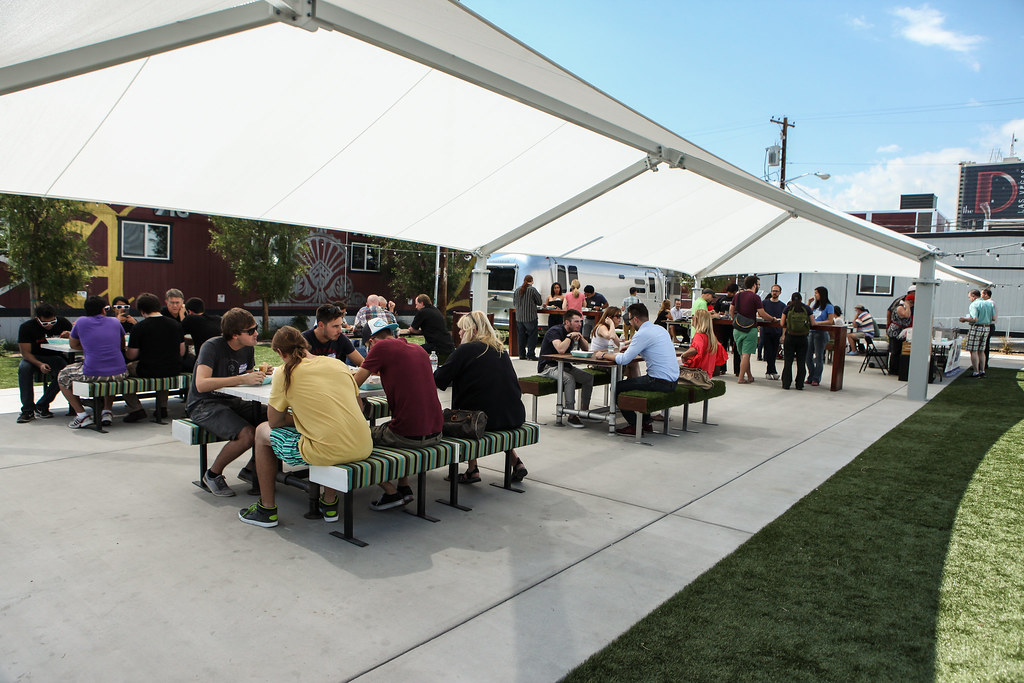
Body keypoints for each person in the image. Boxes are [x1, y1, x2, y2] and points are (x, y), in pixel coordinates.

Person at [238, 326, 373, 528]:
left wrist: (302, 419)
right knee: (326, 431)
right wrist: (312, 418)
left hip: (326, 450)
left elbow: (275, 422)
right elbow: (359, 408)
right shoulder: (337, 364)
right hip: (363, 445)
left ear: (280, 352)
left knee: (261, 432)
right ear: (305, 344)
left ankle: (267, 509)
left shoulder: (284, 373)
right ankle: (329, 503)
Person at [353, 317, 443, 510]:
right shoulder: (418, 349)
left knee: (356, 437)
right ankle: (404, 486)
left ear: (371, 342)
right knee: (397, 422)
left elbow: (353, 384)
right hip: (436, 431)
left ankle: (391, 492)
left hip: (409, 436)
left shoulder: (380, 348)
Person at [434, 311, 528, 483]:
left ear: (474, 330)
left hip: (484, 421)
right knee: (482, 405)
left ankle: (472, 469)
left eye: (463, 329)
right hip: (513, 416)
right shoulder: (500, 349)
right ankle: (516, 463)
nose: (459, 333)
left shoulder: (466, 349)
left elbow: (439, 379)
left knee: (453, 417)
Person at [188, 307, 269, 497]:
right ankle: (212, 474)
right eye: (251, 331)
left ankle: (251, 469)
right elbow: (201, 384)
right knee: (247, 435)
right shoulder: (212, 347)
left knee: (274, 418)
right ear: (234, 335)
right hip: (204, 404)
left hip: (233, 401)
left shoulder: (247, 348)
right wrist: (242, 379)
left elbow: (245, 375)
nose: (256, 333)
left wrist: (258, 374)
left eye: (256, 328)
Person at [593, 303, 679, 437]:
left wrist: (603, 355)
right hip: (673, 381)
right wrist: (632, 349)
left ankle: (634, 425)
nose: (630, 323)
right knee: (636, 382)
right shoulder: (660, 329)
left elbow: (624, 360)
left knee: (617, 387)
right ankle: (646, 423)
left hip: (658, 382)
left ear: (636, 319)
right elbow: (650, 348)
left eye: (630, 320)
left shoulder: (642, 334)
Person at [57, 296, 129, 429]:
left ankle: (81, 415)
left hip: (94, 373)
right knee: (109, 375)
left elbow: (73, 345)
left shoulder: (81, 322)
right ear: (103, 309)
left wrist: (90, 346)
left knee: (62, 376)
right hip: (120, 372)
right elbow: (121, 345)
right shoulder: (115, 321)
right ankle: (107, 411)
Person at [122, 292, 185, 422]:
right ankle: (162, 407)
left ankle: (136, 408)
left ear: (142, 311)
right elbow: (182, 352)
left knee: (121, 372)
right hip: (173, 368)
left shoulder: (139, 327)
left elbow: (132, 355)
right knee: (163, 370)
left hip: (148, 369)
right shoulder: (175, 325)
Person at [16, 303, 72, 423]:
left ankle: (42, 405)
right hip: (33, 357)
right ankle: (27, 410)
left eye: (52, 322)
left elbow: (78, 339)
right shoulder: (27, 327)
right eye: (45, 323)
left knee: (65, 371)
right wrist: (39, 364)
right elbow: (25, 353)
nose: (49, 325)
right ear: (38, 319)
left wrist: (70, 335)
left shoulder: (63, 323)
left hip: (54, 356)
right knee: (24, 369)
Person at [537, 309, 593, 429]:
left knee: (588, 378)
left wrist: (581, 338)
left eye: (580, 321)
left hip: (565, 366)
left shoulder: (575, 331)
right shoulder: (555, 331)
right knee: (569, 379)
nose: (579, 324)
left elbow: (586, 349)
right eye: (576, 321)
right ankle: (571, 414)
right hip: (548, 366)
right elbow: (561, 349)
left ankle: (584, 411)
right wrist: (569, 337)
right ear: (567, 322)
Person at [730, 276, 777, 384]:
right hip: (750, 329)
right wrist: (772, 319)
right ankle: (741, 378)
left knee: (743, 355)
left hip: (737, 329)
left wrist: (734, 319)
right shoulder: (755, 297)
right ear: (754, 285)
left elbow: (731, 309)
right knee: (746, 355)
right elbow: (762, 313)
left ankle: (750, 376)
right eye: (758, 284)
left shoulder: (738, 295)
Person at [401, 294, 455, 364]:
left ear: (422, 303)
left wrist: (420, 331)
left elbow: (412, 329)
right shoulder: (436, 310)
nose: (416, 307)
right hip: (448, 345)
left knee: (413, 351)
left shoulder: (422, 312)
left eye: (416, 304)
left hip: (437, 346)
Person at [591, 306, 638, 379]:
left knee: (633, 363)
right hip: (598, 361)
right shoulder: (602, 327)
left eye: (620, 316)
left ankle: (633, 384)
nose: (620, 319)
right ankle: (628, 385)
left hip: (606, 358)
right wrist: (611, 323)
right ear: (609, 318)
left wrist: (633, 340)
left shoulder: (610, 329)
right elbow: (611, 336)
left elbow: (619, 343)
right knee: (630, 369)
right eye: (618, 316)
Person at [678, 309, 727, 376]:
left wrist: (683, 355)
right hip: (707, 373)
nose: (692, 318)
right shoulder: (711, 337)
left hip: (697, 373)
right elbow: (720, 351)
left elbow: (696, 349)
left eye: (693, 316)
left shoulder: (699, 335)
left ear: (698, 320)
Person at [780, 293, 813, 390]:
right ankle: (799, 384)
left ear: (791, 299)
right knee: (801, 362)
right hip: (802, 338)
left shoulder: (788, 308)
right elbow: (813, 323)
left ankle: (786, 384)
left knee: (788, 362)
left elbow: (782, 323)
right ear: (801, 299)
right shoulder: (807, 308)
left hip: (790, 337)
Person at [959, 289, 995, 378]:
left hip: (976, 327)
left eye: (969, 297)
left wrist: (964, 319)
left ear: (974, 296)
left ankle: (976, 371)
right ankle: (982, 370)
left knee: (973, 350)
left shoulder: (974, 304)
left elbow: (975, 319)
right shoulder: (989, 304)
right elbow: (993, 318)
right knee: (981, 350)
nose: (969, 299)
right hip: (987, 327)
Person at [805, 286, 836, 387]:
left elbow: (830, 321)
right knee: (807, 356)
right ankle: (811, 374)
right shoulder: (815, 306)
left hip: (821, 333)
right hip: (811, 332)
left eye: (817, 293)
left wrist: (818, 323)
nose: (815, 295)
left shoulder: (829, 306)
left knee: (818, 356)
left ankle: (816, 378)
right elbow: (806, 313)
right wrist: (809, 303)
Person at [513, 274, 543, 361]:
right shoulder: (532, 290)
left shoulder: (517, 290)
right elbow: (539, 302)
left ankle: (521, 354)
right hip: (530, 317)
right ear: (532, 281)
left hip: (519, 317)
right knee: (532, 336)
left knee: (521, 336)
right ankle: (530, 355)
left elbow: (514, 303)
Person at [886, 286, 915, 375]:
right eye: (912, 302)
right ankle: (893, 369)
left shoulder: (905, 306)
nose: (913, 305)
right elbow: (906, 315)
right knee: (895, 350)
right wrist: (908, 306)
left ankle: (899, 368)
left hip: (902, 330)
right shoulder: (900, 306)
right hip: (896, 331)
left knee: (900, 350)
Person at [761, 284, 786, 380]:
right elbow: (760, 314)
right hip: (766, 331)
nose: (774, 292)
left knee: (774, 352)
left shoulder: (783, 306)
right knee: (768, 351)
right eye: (773, 291)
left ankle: (771, 371)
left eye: (776, 291)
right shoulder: (764, 303)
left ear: (780, 292)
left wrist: (783, 335)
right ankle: (771, 371)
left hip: (777, 332)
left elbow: (784, 322)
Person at [714, 283, 739, 376]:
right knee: (722, 347)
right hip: (723, 327)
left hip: (734, 326)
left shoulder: (737, 300)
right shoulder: (721, 299)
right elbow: (715, 311)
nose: (730, 294)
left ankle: (737, 370)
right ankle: (722, 368)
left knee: (736, 348)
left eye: (732, 293)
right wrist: (719, 314)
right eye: (729, 292)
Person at [982, 288, 996, 371]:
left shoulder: (989, 303)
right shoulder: (990, 303)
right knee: (985, 345)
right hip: (989, 325)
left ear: (986, 294)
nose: (981, 296)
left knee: (985, 345)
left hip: (989, 326)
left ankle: (984, 364)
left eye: (982, 294)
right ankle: (983, 363)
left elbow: (992, 316)